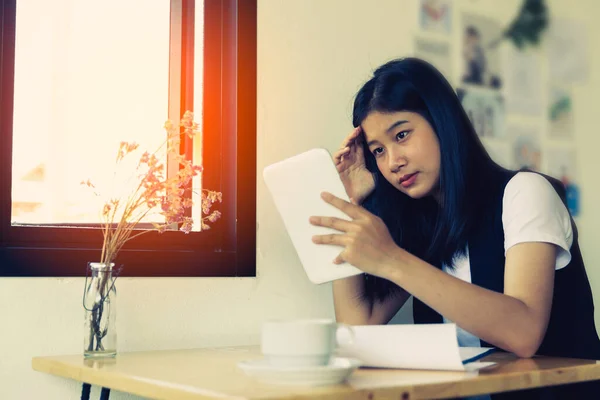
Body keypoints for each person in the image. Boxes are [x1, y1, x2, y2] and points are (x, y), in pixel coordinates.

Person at [309, 58, 600, 399]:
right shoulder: (422, 224)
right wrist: (351, 206)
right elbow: (357, 325)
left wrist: (391, 259)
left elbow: (524, 333)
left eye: (401, 135)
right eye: (378, 151)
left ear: (442, 121)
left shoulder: (526, 193)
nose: (392, 162)